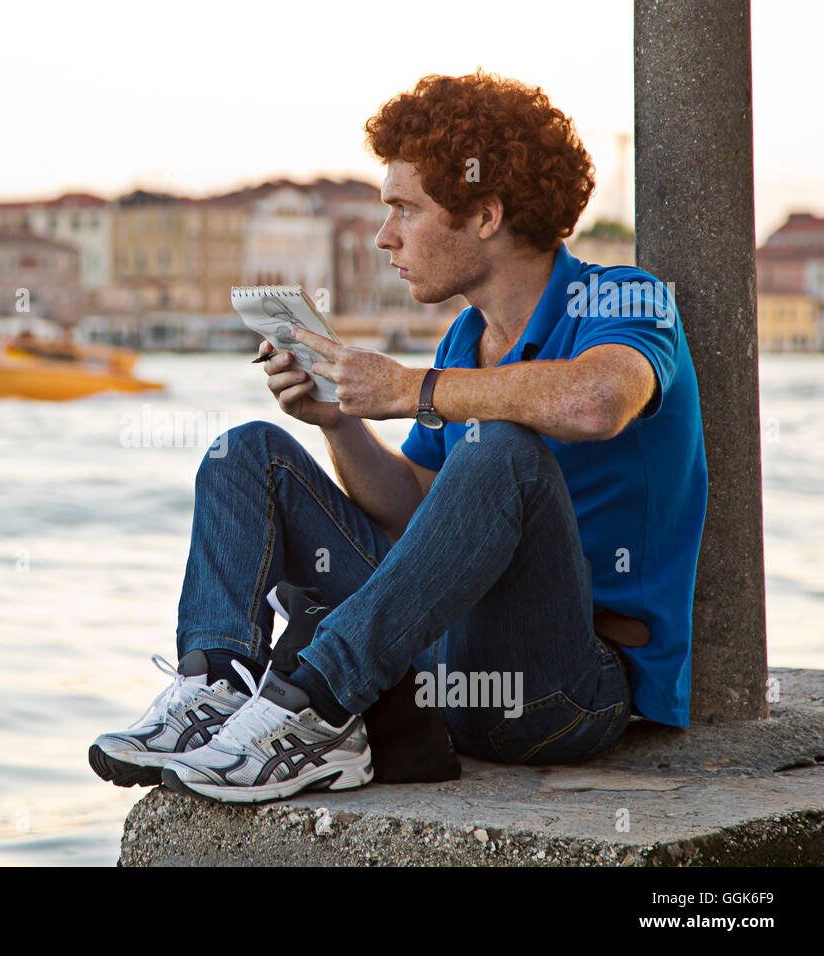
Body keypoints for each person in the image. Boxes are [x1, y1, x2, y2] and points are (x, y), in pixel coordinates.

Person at [89, 70, 707, 804]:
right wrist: (341, 424)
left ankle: (313, 707)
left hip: (567, 689)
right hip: (445, 653)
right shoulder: (463, 341)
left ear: (483, 214)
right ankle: (215, 690)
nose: (386, 237)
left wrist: (409, 391)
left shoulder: (622, 295)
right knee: (247, 452)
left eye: (404, 211)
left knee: (497, 447)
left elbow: (599, 401)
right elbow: (418, 513)